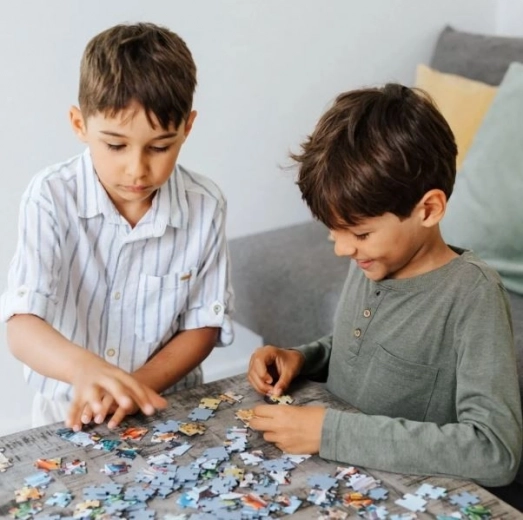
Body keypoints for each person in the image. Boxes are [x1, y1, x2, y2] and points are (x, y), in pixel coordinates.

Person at [247, 84, 522, 487]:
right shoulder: (372, 262)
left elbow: (495, 451)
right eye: (333, 231)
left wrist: (329, 432)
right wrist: (301, 358)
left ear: (428, 209)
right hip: (333, 484)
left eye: (359, 233)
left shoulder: (472, 295)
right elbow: (366, 350)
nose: (342, 249)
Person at [0, 22, 233, 432]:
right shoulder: (50, 196)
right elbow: (22, 324)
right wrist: (85, 370)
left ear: (187, 127)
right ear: (79, 125)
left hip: (166, 405)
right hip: (67, 411)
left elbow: (203, 325)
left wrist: (132, 389)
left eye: (160, 147)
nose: (137, 169)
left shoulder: (205, 204)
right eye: (115, 145)